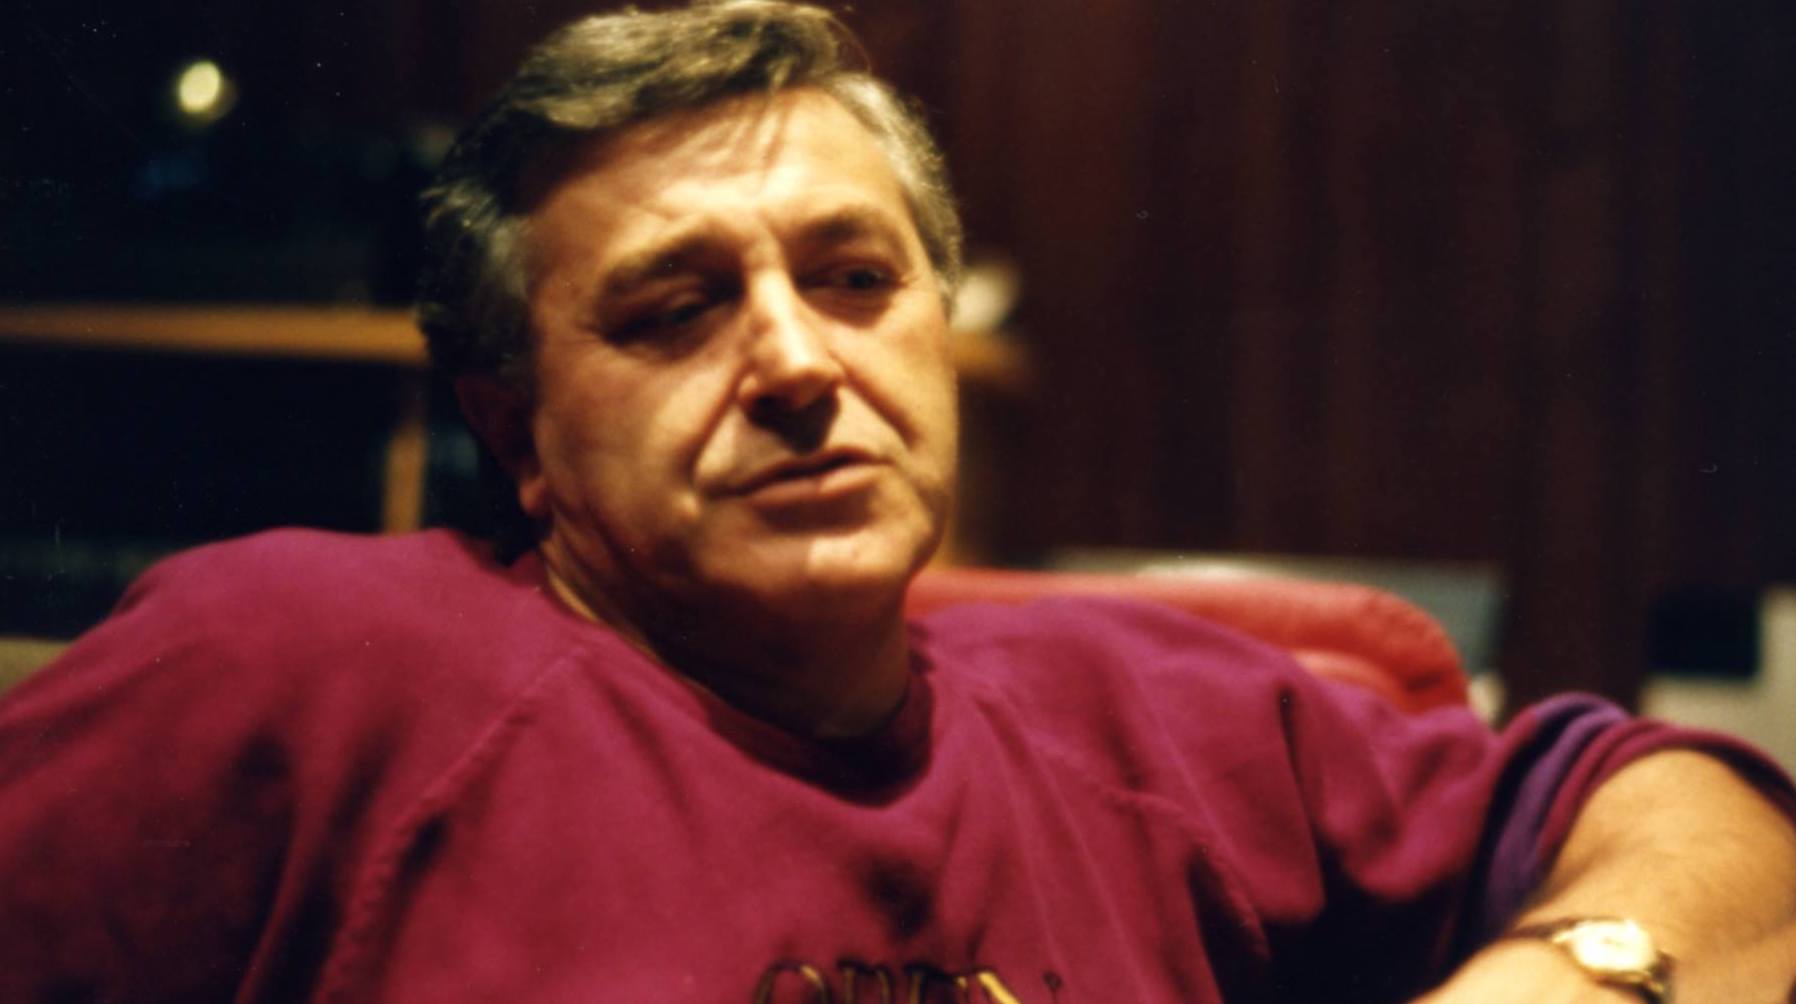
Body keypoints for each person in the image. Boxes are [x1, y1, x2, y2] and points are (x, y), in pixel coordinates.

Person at [2, 2, 1793, 1001]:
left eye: (854, 278)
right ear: (517, 431)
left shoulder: (1158, 718)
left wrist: (1580, 975)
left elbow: (1716, 828)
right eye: (674, 307)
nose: (796, 361)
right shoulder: (309, 667)